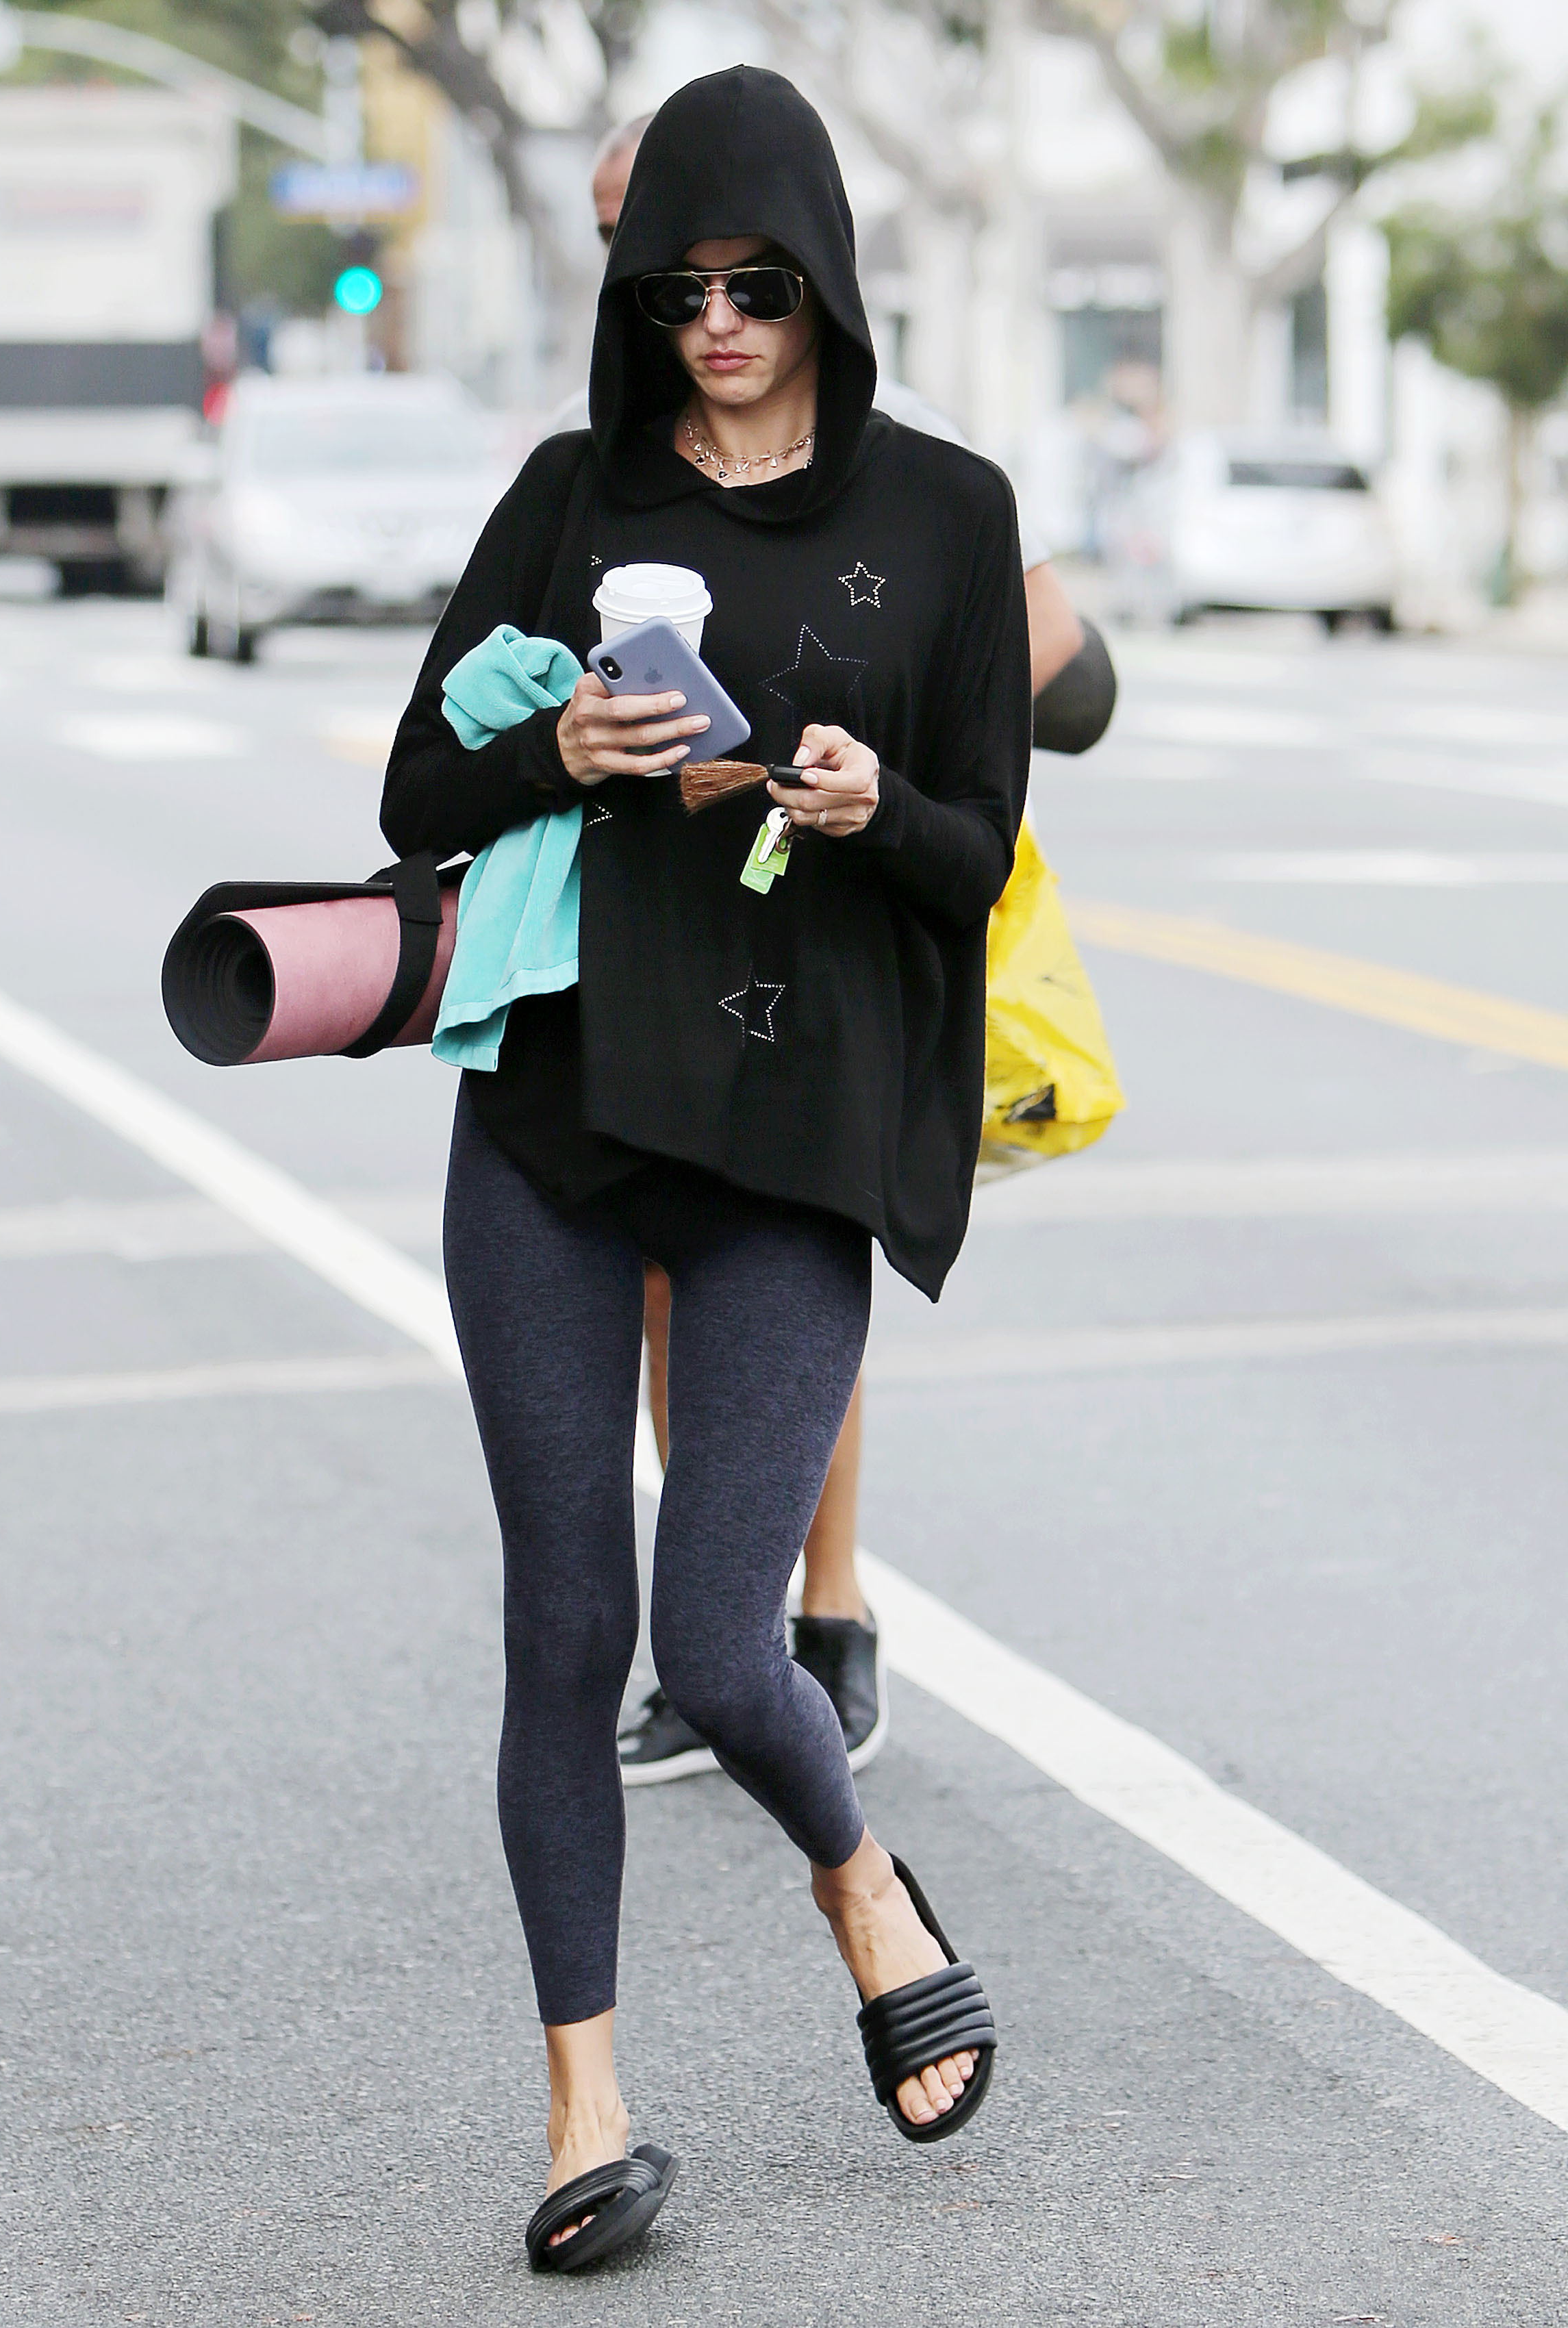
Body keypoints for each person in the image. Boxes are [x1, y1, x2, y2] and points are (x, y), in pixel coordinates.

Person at [382, 66, 1017, 2270]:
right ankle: (585, 2106)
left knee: (725, 1646)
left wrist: (865, 805)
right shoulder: (571, 494)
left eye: (757, 286)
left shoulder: (949, 514)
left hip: (788, 1140)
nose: (719, 326)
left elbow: (978, 855)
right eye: (679, 293)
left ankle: (861, 1883)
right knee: (564, 1632)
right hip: (551, 1128)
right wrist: (552, 743)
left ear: (826, 277)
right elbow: (415, 790)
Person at [574, 112, 1109, 1785]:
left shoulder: (908, 436)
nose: (677, 289)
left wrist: (870, 732)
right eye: (636, 255)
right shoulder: (627, 435)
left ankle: (829, 1610)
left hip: (847, 896)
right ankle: (722, 1625)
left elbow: (1069, 666)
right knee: (665, 1266)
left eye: (707, 253)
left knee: (788, 1242)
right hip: (676, 910)